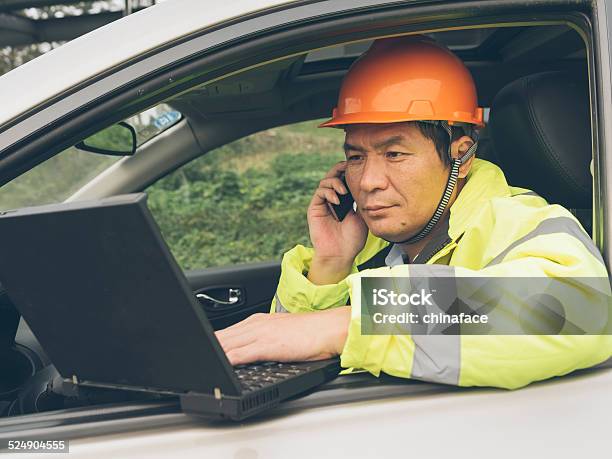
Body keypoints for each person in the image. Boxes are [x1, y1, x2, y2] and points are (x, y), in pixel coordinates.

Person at [215, 35, 612, 389]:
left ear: (461, 156)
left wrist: (351, 323)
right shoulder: (368, 244)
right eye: (355, 157)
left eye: (394, 154)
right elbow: (290, 350)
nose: (368, 180)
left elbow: (578, 311)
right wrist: (330, 265)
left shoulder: (520, 220)